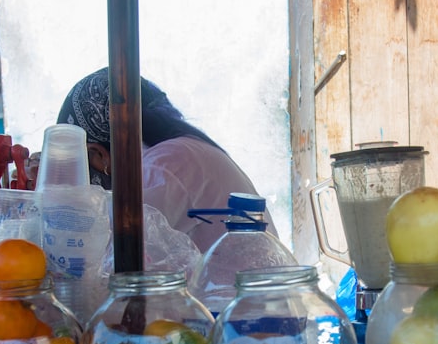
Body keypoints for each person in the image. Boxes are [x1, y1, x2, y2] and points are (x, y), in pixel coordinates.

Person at [56, 67, 278, 252]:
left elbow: (107, 256)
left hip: (236, 302)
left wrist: (53, 195)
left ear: (98, 155)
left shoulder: (165, 165)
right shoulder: (183, 151)